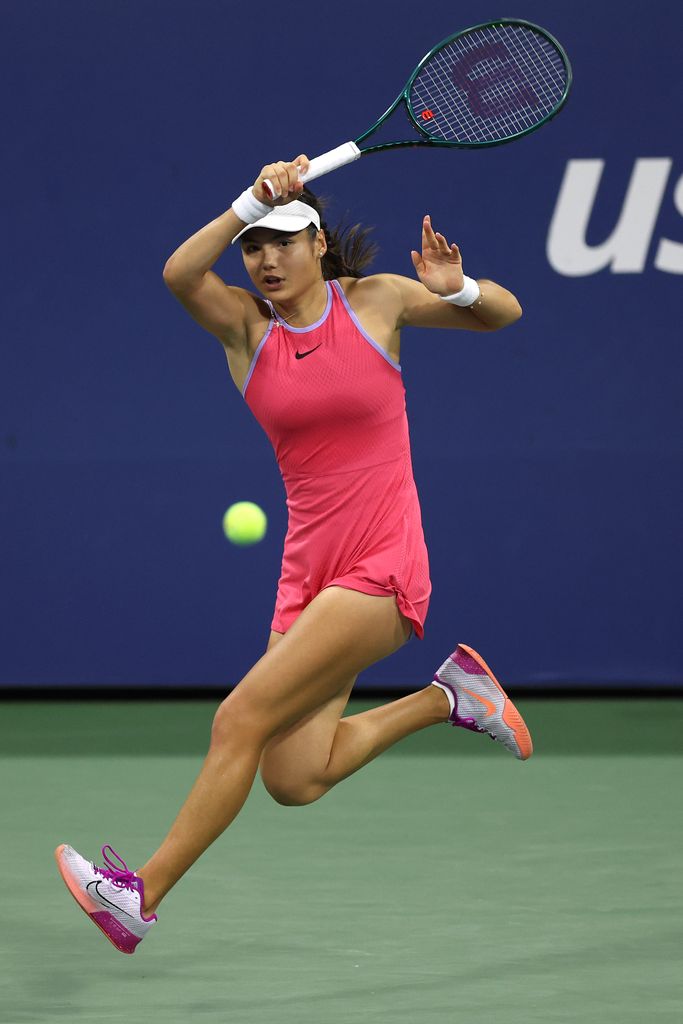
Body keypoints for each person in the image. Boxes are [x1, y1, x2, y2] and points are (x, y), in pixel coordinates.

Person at [55, 156, 533, 955]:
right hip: (306, 577)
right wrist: (246, 200)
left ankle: (139, 894)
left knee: (238, 717)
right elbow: (179, 272)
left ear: (317, 244)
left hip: (381, 566)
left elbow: (504, 315)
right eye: (252, 246)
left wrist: (457, 287)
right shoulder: (246, 330)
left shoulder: (374, 301)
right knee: (293, 777)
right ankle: (448, 697)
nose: (266, 259)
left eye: (281, 241)